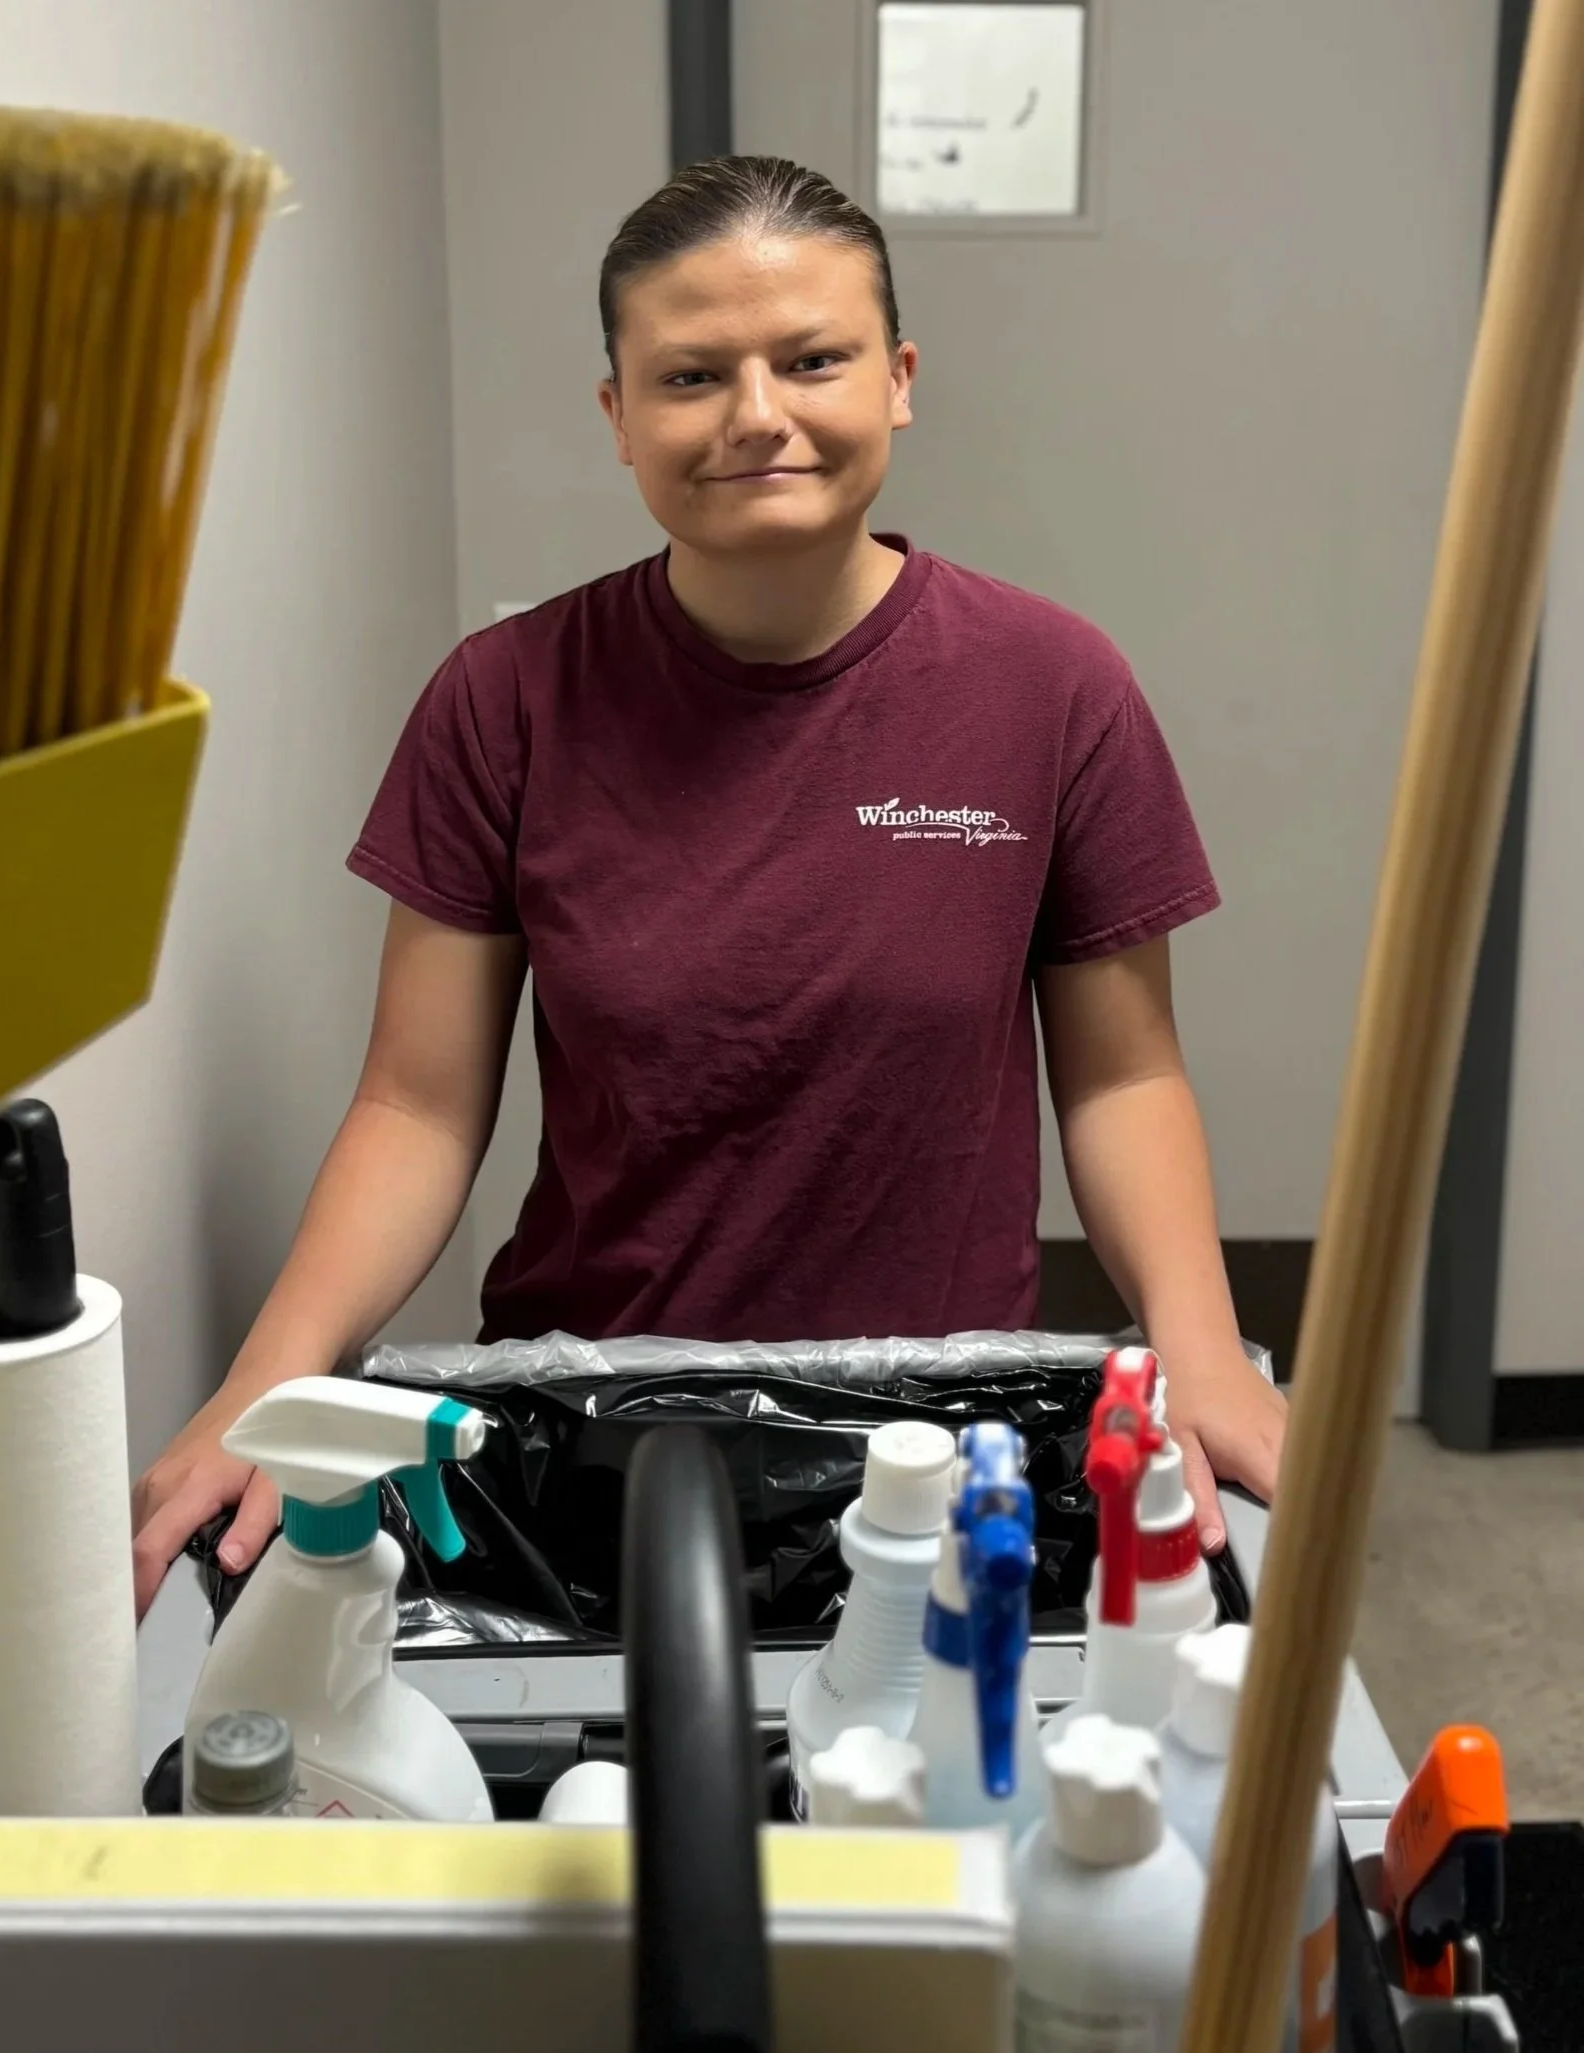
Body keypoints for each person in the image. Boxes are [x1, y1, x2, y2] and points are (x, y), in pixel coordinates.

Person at [132, 155, 1286, 1618]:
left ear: (899, 377)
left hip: (936, 1430)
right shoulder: (506, 702)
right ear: (617, 414)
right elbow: (417, 1104)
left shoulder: (1053, 688)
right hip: (583, 1420)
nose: (758, 416)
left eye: (812, 359)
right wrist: (266, 1382)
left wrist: (1197, 1346)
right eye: (689, 375)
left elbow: (1122, 1082)